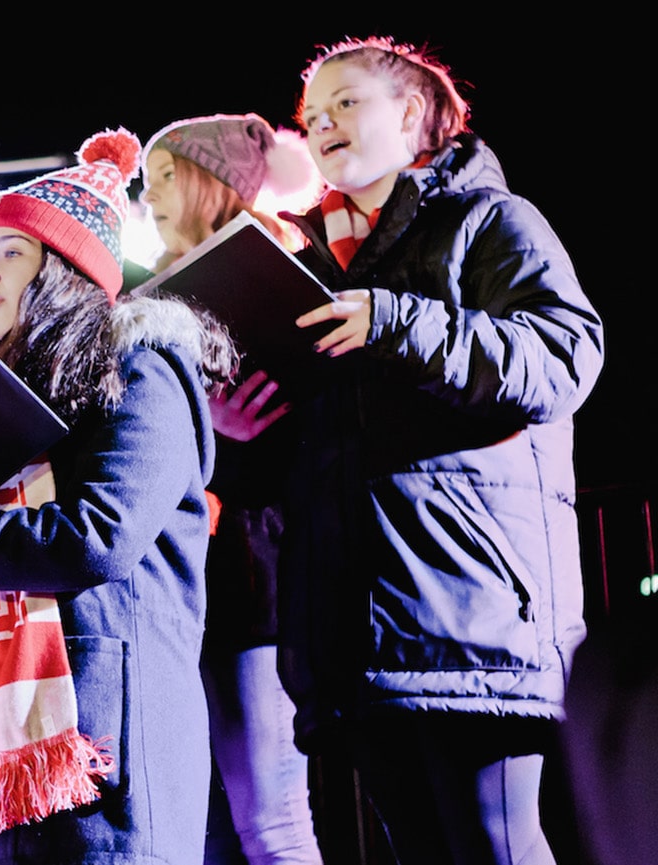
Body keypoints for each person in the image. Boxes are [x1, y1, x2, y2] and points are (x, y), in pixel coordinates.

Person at [0, 129, 237, 865]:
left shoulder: (143, 368)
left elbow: (97, 537)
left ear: (65, 270)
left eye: (10, 256)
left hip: (107, 751)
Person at [278, 36, 604, 864]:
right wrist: (243, 436)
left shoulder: (490, 220)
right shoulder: (305, 260)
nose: (323, 126)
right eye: (312, 115)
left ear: (414, 112)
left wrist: (393, 320)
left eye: (347, 103)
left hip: (472, 618)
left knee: (495, 848)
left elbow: (562, 358)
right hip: (361, 637)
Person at [140, 113, 324, 865]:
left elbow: (302, 431)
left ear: (210, 180)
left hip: (258, 585)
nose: (147, 194)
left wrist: (222, 432)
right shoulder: (149, 295)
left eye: (164, 175)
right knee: (204, 825)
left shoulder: (282, 265)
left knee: (273, 820)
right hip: (182, 590)